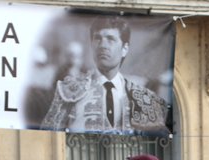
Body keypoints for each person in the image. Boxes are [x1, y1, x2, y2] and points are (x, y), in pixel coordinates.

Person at [40, 15, 168, 134]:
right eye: (98, 38)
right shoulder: (69, 90)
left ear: (125, 49)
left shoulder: (142, 97)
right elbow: (47, 138)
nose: (103, 46)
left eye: (111, 39)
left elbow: (160, 142)